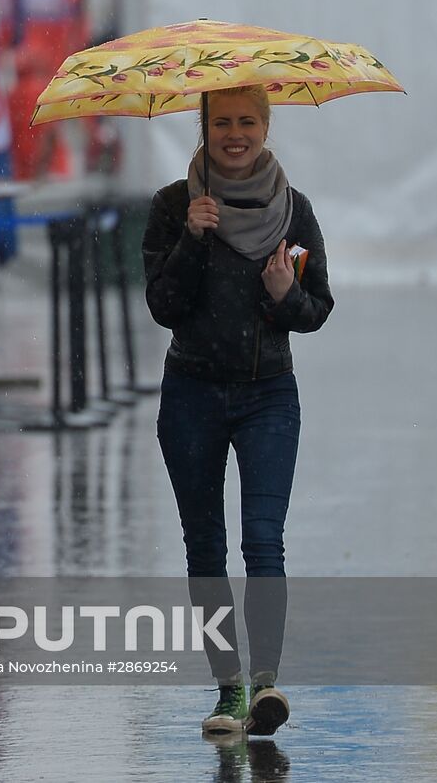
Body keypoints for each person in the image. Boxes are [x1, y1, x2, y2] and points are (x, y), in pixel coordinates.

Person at [141, 84, 333, 737]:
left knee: (262, 539)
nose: (235, 133)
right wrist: (194, 239)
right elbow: (163, 306)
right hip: (191, 395)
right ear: (204, 126)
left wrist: (284, 295)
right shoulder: (174, 207)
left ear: (265, 126)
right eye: (222, 121)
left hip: (268, 396)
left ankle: (267, 688)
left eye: (247, 121)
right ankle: (228, 691)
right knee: (205, 545)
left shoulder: (294, 211)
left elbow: (316, 311)